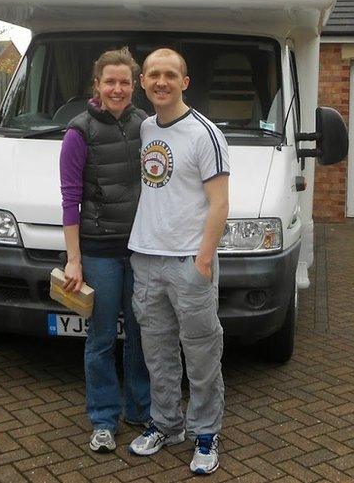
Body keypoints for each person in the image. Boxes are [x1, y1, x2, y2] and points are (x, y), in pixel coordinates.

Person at [126, 48, 230, 476]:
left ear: (184, 82)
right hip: (147, 259)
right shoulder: (145, 127)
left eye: (170, 74)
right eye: (153, 75)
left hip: (189, 262)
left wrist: (203, 261)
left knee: (202, 353)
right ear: (144, 83)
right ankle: (166, 424)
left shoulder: (205, 133)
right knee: (158, 353)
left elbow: (220, 203)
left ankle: (206, 432)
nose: (161, 81)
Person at [59, 47, 151, 453]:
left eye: (124, 82)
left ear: (135, 86)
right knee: (99, 338)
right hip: (99, 251)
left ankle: (139, 409)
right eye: (110, 81)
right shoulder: (78, 132)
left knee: (140, 333)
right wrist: (74, 259)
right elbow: (70, 198)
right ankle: (102, 418)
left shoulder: (146, 125)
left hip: (141, 250)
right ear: (96, 85)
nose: (117, 89)